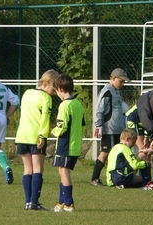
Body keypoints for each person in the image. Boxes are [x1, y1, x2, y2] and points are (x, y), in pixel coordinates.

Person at [15, 69, 59, 210]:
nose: (55, 91)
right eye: (54, 87)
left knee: (27, 170)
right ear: (45, 83)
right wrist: (42, 136)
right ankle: (34, 202)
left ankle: (28, 202)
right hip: (36, 136)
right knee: (38, 170)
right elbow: (44, 118)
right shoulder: (46, 98)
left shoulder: (27, 93)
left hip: (22, 135)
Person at [51, 74, 85, 212]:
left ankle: (69, 203)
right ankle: (61, 201)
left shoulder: (65, 105)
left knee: (64, 172)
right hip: (75, 144)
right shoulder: (78, 104)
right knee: (62, 171)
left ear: (59, 89)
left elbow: (62, 126)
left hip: (66, 144)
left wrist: (53, 131)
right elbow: (83, 125)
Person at [90, 68, 130, 186]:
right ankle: (94, 178)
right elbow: (99, 109)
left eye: (123, 82)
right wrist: (98, 125)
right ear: (112, 78)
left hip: (118, 128)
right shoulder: (106, 91)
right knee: (105, 152)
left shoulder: (116, 90)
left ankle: (118, 177)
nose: (122, 84)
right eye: (121, 81)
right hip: (109, 129)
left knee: (119, 152)